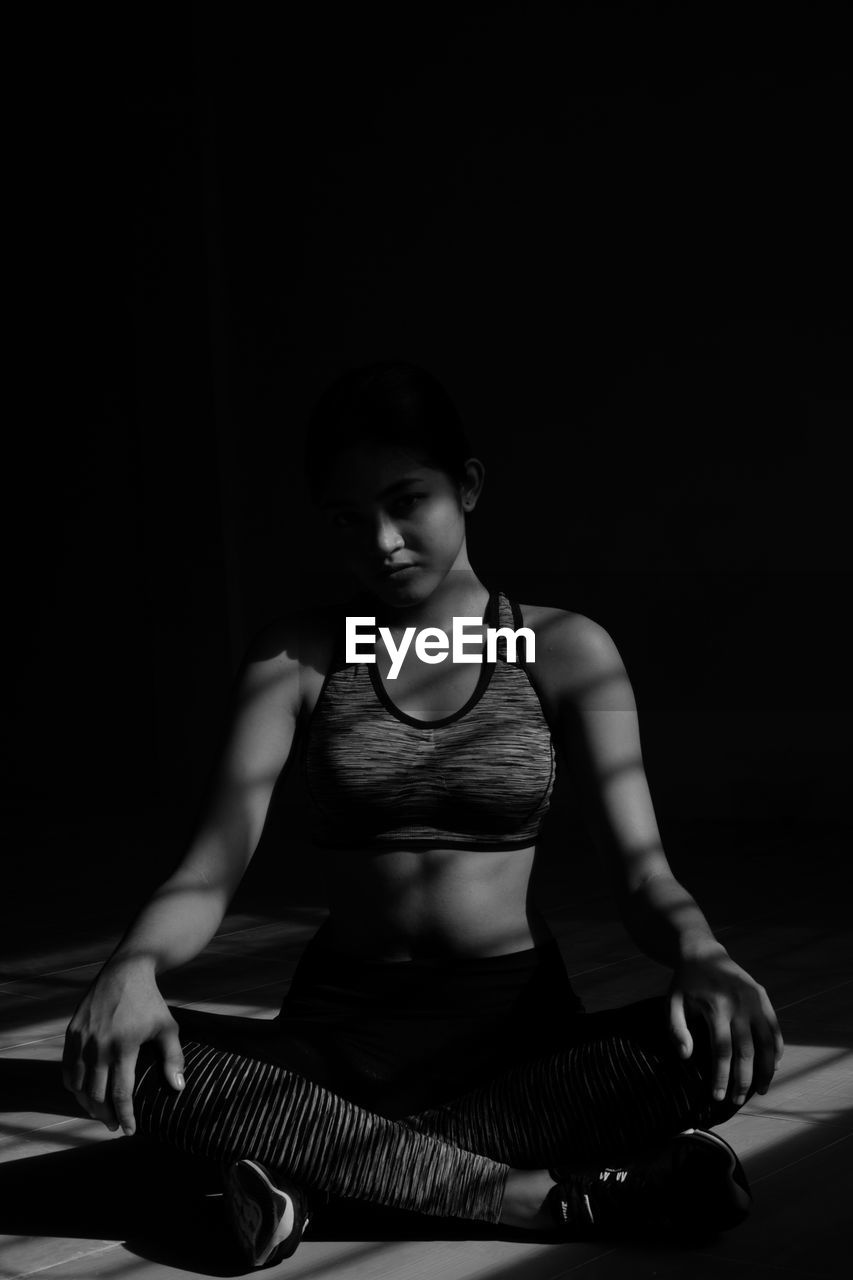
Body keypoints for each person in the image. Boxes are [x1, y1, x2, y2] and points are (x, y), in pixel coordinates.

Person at [63, 360, 784, 1268]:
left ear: (468, 487)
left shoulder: (567, 650)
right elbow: (208, 872)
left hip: (519, 1038)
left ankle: (310, 1171)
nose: (383, 540)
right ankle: (537, 1196)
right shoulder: (298, 655)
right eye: (347, 518)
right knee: (134, 1063)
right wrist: (131, 965)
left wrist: (701, 954)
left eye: (408, 501)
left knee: (717, 1050)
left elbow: (642, 873)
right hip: (338, 1038)